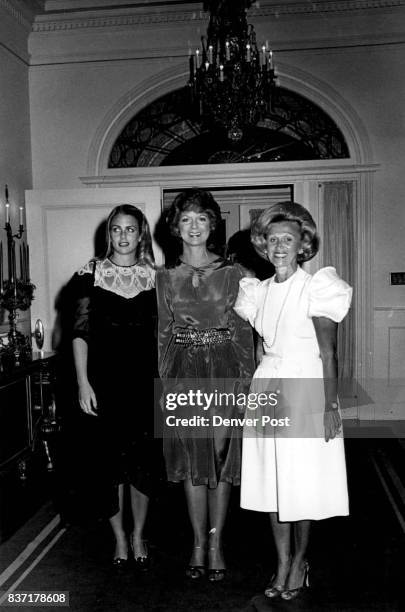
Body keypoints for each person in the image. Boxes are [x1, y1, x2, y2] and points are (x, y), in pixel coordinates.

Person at [234, 201, 352, 601]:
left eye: (289, 239)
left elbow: (329, 352)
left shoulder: (319, 285)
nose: (280, 246)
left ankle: (300, 561)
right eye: (273, 239)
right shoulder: (256, 292)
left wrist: (330, 406)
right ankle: (281, 562)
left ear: (304, 245)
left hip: (306, 387)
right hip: (268, 387)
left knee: (301, 484)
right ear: (263, 246)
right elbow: (258, 348)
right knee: (272, 483)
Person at [156, 189, 254, 581]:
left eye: (201, 218)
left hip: (224, 369)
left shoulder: (233, 274)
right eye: (186, 219)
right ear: (175, 226)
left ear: (212, 224)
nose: (193, 226)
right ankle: (198, 543)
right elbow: (163, 333)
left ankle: (216, 542)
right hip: (184, 372)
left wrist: (245, 385)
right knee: (193, 460)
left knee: (220, 456)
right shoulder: (165, 277)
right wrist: (166, 386)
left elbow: (244, 332)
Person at [72, 204, 158, 570]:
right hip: (104, 383)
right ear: (110, 234)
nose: (123, 236)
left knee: (141, 465)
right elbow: (80, 332)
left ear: (141, 234)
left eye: (131, 229)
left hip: (144, 383)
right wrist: (82, 382)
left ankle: (138, 534)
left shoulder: (156, 276)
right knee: (108, 466)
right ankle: (119, 538)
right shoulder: (89, 274)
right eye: (117, 229)